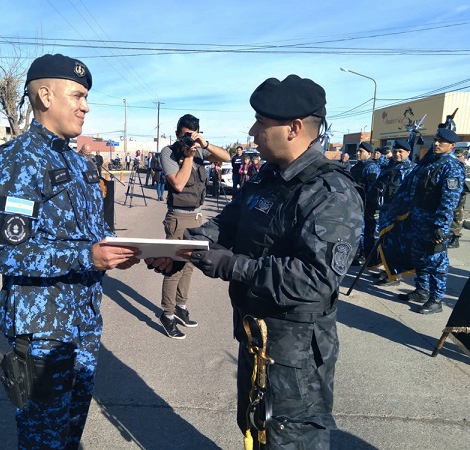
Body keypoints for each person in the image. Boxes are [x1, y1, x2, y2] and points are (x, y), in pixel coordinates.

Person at [148, 74, 363, 448]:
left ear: (294, 128)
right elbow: (231, 221)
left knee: (286, 440)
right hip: (254, 339)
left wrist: (232, 265)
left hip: (294, 359)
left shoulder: (330, 192)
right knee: (252, 430)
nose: (252, 131)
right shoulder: (268, 176)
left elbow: (314, 280)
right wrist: (186, 247)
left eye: (261, 124)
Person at [0, 54, 139, 449]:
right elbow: (8, 253)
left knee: (70, 432)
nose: (85, 106)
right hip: (43, 330)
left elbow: (94, 232)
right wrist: (88, 257)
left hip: (83, 321)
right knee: (43, 438)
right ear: (46, 96)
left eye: (87, 97)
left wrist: (128, 249)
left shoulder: (75, 161)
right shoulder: (16, 161)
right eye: (78, 96)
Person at [158, 113, 229, 339]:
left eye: (191, 135)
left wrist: (204, 144)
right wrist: (188, 156)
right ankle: (167, 314)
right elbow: (178, 184)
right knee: (174, 268)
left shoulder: (200, 149)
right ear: (177, 133)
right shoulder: (168, 153)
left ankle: (181, 306)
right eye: (184, 135)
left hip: (197, 217)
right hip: (178, 217)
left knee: (189, 266)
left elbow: (226, 157)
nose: (187, 140)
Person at [397, 128, 466, 314]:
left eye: (441, 142)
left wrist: (440, 227)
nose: (436, 144)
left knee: (437, 261)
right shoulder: (431, 162)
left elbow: (449, 200)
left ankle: (436, 299)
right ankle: (421, 290)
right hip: (419, 218)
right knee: (420, 257)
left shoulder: (451, 167)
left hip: (434, 223)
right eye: (435, 140)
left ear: (452, 146)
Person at [367, 139, 414, 280]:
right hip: (385, 210)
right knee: (384, 242)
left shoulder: (411, 169)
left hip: (400, 214)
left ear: (408, 153)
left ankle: (395, 275)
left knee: (397, 244)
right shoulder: (388, 166)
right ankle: (388, 270)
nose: (397, 154)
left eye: (400, 152)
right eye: (395, 151)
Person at [350, 142, 381, 265]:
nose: (358, 153)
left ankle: (366, 256)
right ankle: (358, 253)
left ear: (369, 154)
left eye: (361, 151)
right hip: (355, 204)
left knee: (367, 232)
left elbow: (373, 189)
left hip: (367, 205)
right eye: (358, 151)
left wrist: (369, 205)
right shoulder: (356, 167)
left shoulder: (371, 167)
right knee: (356, 230)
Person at [449, 146, 470, 248]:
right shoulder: (452, 166)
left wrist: (460, 189)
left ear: (464, 157)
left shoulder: (467, 169)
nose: (457, 158)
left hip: (459, 196)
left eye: (459, 156)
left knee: (457, 217)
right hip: (450, 195)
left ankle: (455, 238)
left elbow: (468, 184)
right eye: (455, 156)